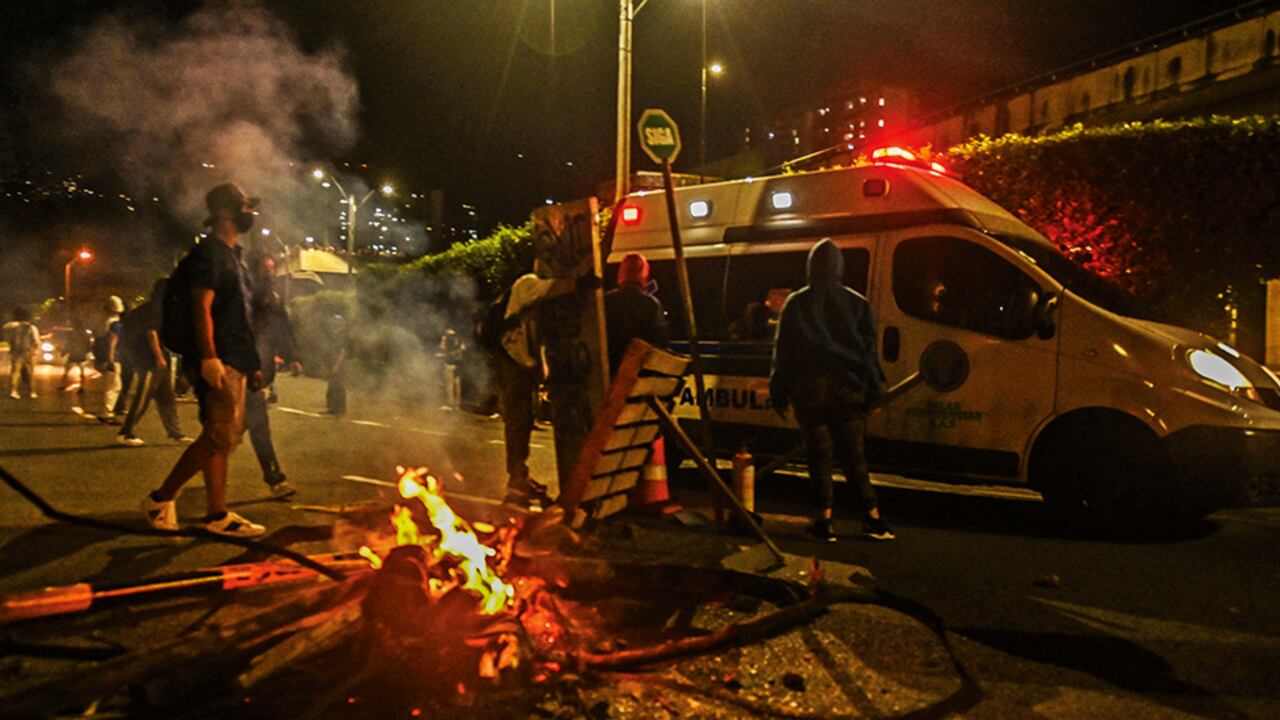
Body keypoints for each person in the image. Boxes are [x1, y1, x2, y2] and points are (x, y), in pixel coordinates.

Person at [141, 182, 265, 537]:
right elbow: (202, 307)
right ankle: (159, 499)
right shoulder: (209, 253)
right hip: (219, 359)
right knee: (217, 438)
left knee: (221, 437)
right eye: (245, 205)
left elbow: (239, 316)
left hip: (234, 358)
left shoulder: (232, 256)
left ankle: (216, 515)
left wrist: (252, 363)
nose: (250, 212)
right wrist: (209, 358)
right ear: (227, 212)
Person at [769, 238, 893, 542]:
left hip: (810, 394)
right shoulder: (858, 304)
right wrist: (875, 390)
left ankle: (824, 522)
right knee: (854, 459)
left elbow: (784, 353)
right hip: (849, 393)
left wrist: (779, 392)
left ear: (810, 266)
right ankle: (873, 519)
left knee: (819, 459)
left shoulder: (796, 304)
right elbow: (867, 354)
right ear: (840, 267)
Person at [480, 272, 585, 505]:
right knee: (518, 419)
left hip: (520, 361)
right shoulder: (527, 283)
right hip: (511, 358)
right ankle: (516, 478)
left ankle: (519, 477)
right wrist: (576, 281)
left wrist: (541, 370)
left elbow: (539, 341)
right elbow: (548, 288)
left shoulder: (542, 306)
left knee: (523, 420)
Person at [245, 250, 301, 498]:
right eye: (264, 269)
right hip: (242, 369)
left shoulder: (274, 299)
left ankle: (274, 478)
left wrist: (293, 356)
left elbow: (283, 328)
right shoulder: (245, 295)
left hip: (259, 371)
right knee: (255, 427)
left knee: (233, 431)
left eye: (271, 268)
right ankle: (274, 478)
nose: (269, 273)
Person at [116, 278, 191, 446]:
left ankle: (175, 433)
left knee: (167, 397)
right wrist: (158, 357)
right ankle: (126, 433)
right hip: (148, 358)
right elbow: (151, 333)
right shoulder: (155, 308)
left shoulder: (152, 307)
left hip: (155, 356)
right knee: (143, 396)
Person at [603, 253, 668, 375]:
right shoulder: (652, 305)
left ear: (621, 274)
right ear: (644, 273)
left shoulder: (605, 301)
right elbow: (660, 343)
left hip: (610, 375)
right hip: (640, 376)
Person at [93, 295, 125, 423]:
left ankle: (105, 411)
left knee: (109, 385)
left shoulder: (102, 322)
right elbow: (112, 342)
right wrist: (111, 359)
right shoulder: (115, 324)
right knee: (113, 386)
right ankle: (107, 413)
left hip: (101, 357)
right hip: (113, 358)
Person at [5, 307, 40, 399]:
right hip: (28, 353)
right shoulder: (32, 328)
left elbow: (6, 329)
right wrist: (34, 351)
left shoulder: (13, 327)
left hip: (16, 353)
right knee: (30, 373)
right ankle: (32, 392)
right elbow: (36, 342)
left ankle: (14, 391)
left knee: (15, 373)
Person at [60, 316, 92, 398]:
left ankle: (63, 385)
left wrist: (64, 352)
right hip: (81, 354)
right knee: (82, 372)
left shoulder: (72, 334)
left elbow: (69, 344)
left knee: (66, 370)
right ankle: (82, 387)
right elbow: (89, 345)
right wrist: (87, 351)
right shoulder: (86, 334)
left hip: (73, 354)